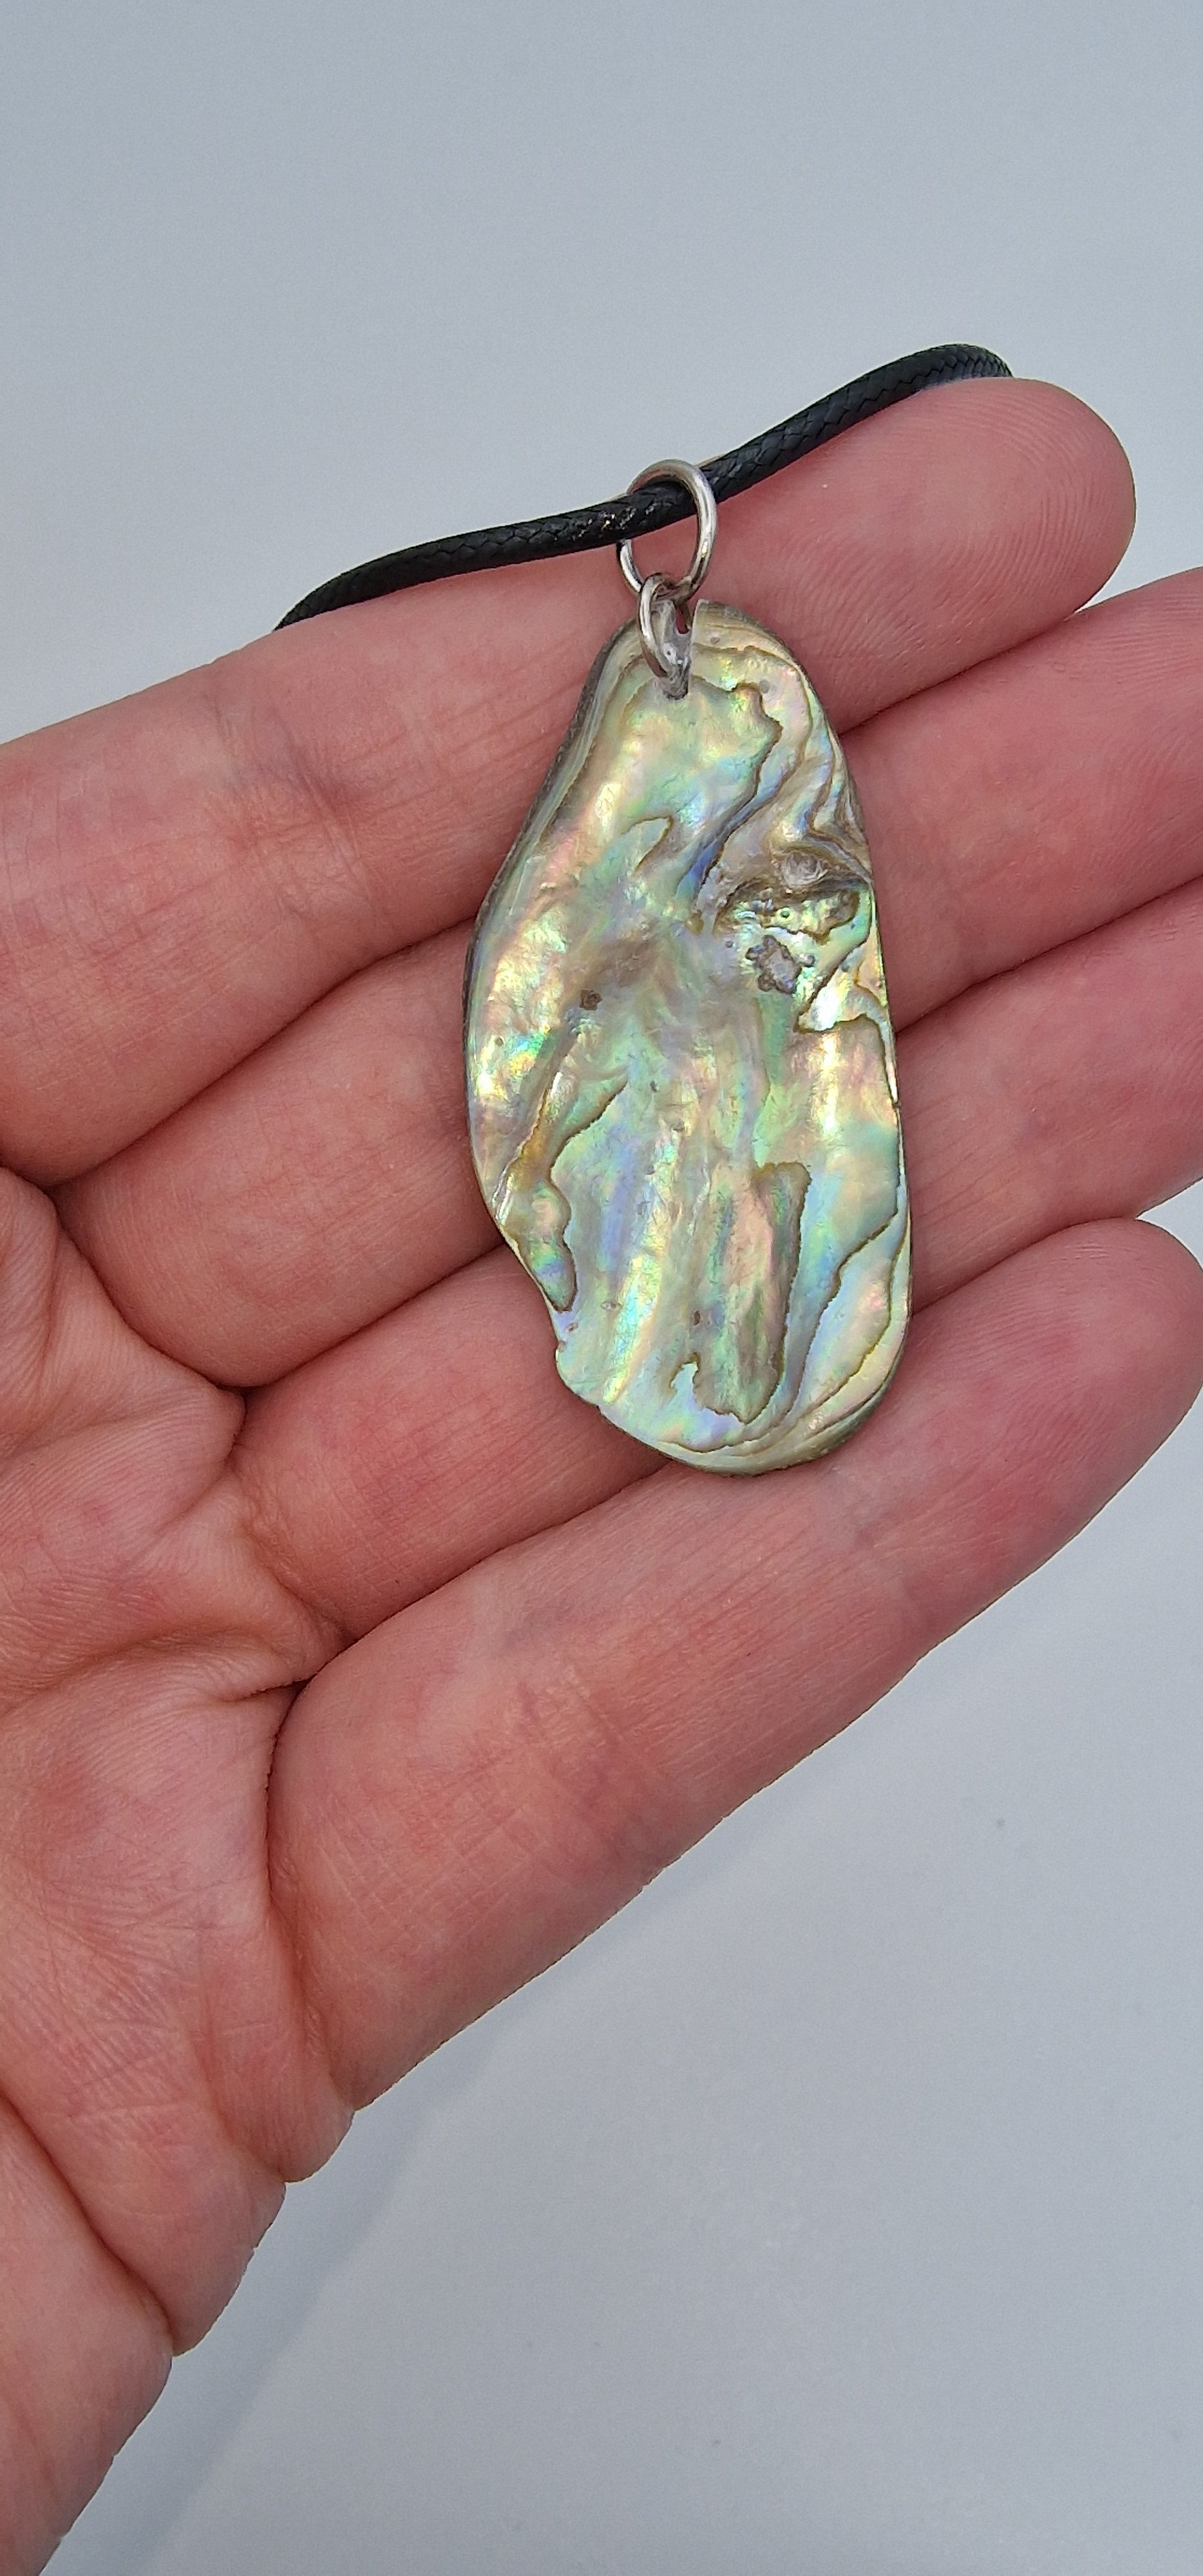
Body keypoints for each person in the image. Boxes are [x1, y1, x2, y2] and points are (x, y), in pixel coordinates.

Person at [1, 374, 1201, 2571]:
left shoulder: (734, 790)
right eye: (778, 908)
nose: (802, 938)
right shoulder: (641, 874)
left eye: (795, 912)